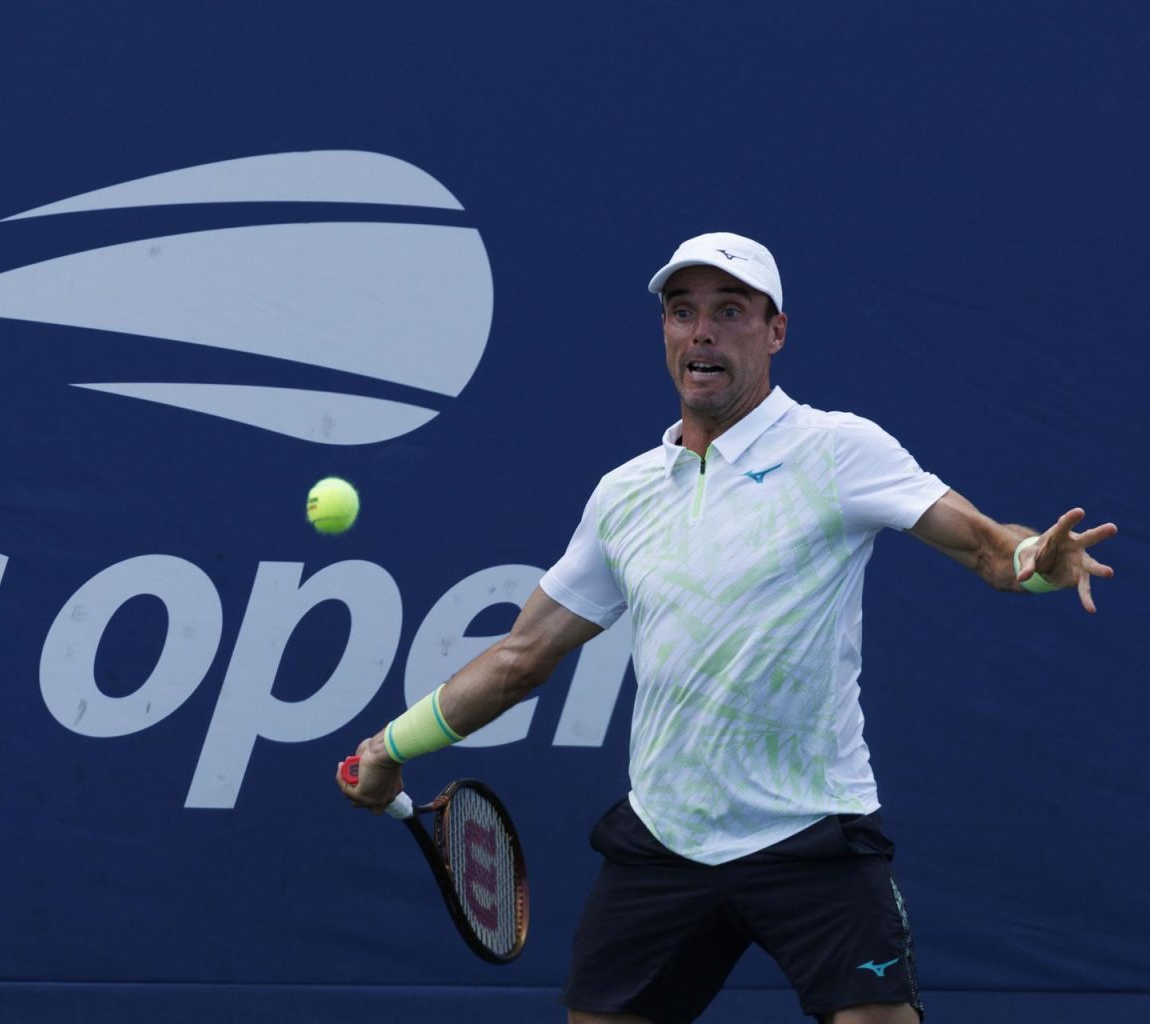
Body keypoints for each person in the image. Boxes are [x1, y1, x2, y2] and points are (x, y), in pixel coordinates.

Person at [337, 231, 1118, 1024]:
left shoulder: (838, 450)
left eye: (729, 311)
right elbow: (522, 654)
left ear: (775, 331)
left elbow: (988, 547)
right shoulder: (625, 494)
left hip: (814, 832)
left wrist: (1039, 561)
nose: (701, 331)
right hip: (666, 837)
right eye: (683, 313)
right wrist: (389, 747)